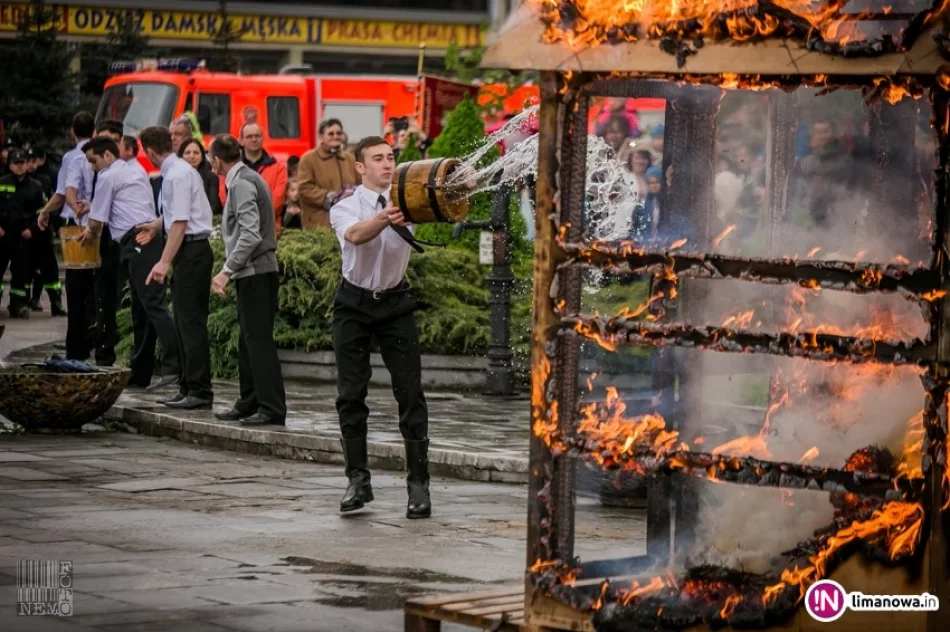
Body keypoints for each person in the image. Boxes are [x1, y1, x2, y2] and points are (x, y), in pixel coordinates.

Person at [329, 136, 431, 520]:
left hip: (396, 303)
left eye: (391, 157)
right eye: (378, 159)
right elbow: (355, 235)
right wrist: (386, 217)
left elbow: (453, 193)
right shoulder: (345, 208)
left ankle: (418, 485)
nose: (387, 165)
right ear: (360, 167)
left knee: (410, 393)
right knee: (350, 394)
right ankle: (358, 481)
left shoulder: (411, 198)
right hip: (353, 304)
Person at [77, 137, 180, 390]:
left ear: (108, 156)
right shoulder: (134, 169)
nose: (92, 167)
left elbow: (96, 221)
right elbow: (120, 203)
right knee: (141, 310)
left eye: (94, 160)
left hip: (137, 240)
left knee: (152, 305)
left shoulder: (108, 176)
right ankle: (141, 371)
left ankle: (176, 365)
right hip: (145, 239)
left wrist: (87, 234)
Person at [208, 134, 286, 426]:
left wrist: (226, 270)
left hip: (256, 272)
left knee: (258, 341)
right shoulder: (247, 176)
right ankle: (250, 400)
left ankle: (271, 408)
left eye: (210, 158)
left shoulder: (240, 182)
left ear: (216, 160)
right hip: (256, 271)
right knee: (249, 340)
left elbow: (251, 233)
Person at [138, 126, 215, 410]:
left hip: (192, 250)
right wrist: (156, 224)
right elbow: (174, 216)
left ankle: (200, 390)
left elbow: (182, 222)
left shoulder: (177, 175)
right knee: (183, 323)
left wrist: (164, 261)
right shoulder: (175, 172)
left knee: (190, 323)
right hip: (188, 249)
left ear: (148, 151)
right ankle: (188, 386)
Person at [39, 111, 96, 361]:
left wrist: (44, 211)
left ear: (72, 132)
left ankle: (76, 345)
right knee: (94, 287)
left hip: (75, 226)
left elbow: (62, 193)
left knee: (76, 288)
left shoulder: (72, 157)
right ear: (94, 131)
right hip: (98, 223)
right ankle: (92, 338)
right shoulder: (104, 154)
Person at [0, 149, 46, 318]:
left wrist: (32, 229)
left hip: (23, 237)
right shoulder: (2, 183)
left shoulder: (36, 187)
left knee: (21, 274)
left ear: (27, 165)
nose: (19, 167)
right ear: (10, 165)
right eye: (15, 164)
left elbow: (43, 212)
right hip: (3, 236)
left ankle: (17, 305)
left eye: (22, 163)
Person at [297, 119, 360, 230]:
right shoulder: (308, 159)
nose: (335, 136)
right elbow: (304, 189)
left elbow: (360, 184)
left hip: (348, 224)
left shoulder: (350, 159)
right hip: (320, 225)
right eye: (331, 133)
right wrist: (330, 197)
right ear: (321, 137)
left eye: (339, 133)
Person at [25, 147, 65, 316]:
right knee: (27, 269)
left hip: (43, 231)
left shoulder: (45, 179)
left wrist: (56, 226)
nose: (31, 165)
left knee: (50, 269)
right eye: (29, 161)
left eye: (34, 160)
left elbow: (53, 205)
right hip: (25, 233)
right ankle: (27, 301)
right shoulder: (15, 181)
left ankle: (55, 302)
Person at [239, 123, 287, 236]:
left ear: (262, 138)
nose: (254, 139)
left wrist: (252, 217)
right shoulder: (234, 168)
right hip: (240, 230)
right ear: (241, 141)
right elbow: (226, 198)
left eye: (257, 136)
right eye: (249, 136)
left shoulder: (278, 167)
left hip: (270, 231)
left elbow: (278, 199)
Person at [178, 138, 222, 215]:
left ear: (202, 157)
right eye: (187, 153)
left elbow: (214, 206)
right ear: (181, 156)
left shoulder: (211, 177)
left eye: (196, 153)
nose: (192, 156)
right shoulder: (174, 177)